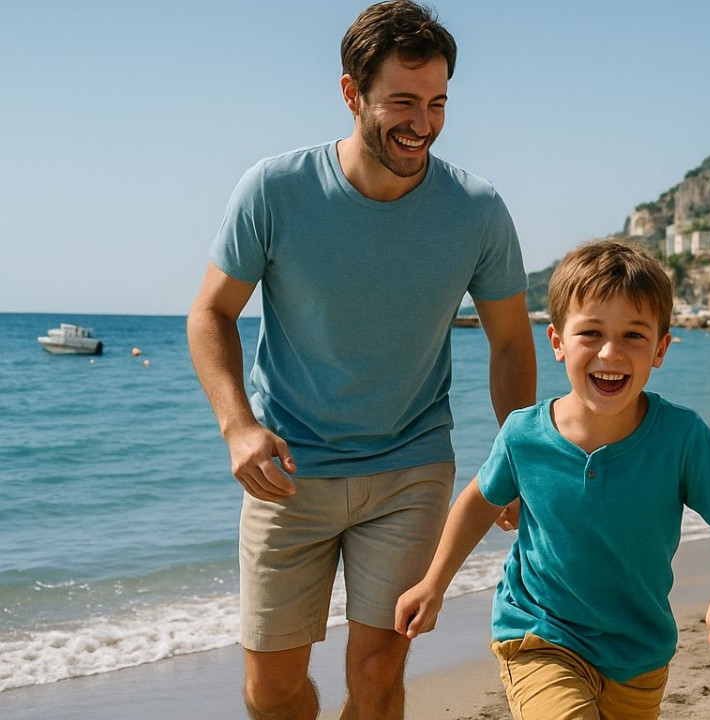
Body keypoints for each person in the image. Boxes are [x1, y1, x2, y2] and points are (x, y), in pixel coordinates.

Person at [186, 2, 537, 718]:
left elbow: (509, 341)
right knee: (272, 688)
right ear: (352, 94)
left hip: (410, 468)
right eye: (403, 102)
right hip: (288, 470)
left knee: (378, 673)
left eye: (437, 102)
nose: (424, 123)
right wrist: (238, 427)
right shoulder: (274, 190)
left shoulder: (476, 209)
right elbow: (210, 314)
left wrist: (519, 457)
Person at [395, 239, 710, 720]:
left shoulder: (681, 438)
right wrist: (434, 583)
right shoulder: (523, 435)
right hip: (539, 633)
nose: (610, 353)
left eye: (634, 336)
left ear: (660, 348)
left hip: (638, 653)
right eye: (591, 333)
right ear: (557, 342)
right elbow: (479, 501)